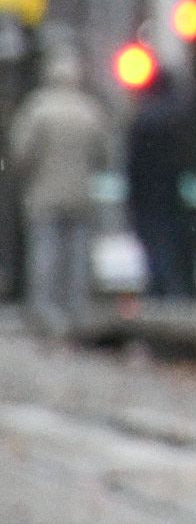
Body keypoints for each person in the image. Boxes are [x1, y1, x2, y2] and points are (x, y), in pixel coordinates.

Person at [7, 45, 115, 336]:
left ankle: (45, 311)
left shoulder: (38, 108)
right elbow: (105, 155)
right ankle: (76, 309)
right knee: (78, 256)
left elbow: (21, 152)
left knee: (45, 254)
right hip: (81, 194)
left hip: (44, 194)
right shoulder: (90, 110)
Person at [125, 68, 196, 298]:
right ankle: (176, 288)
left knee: (154, 244)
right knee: (174, 240)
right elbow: (190, 156)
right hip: (175, 193)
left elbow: (133, 162)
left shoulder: (143, 119)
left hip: (148, 194)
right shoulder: (181, 117)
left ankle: (159, 287)